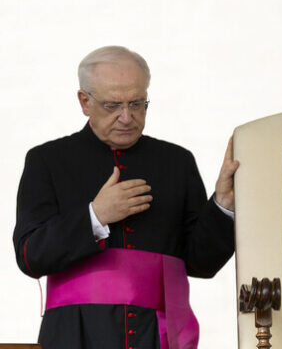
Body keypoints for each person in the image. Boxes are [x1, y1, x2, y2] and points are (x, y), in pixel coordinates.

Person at [13, 46, 239, 349]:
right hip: (76, 335)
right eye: (112, 105)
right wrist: (95, 216)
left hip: (158, 335)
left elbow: (200, 264)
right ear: (84, 101)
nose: (127, 117)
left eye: (137, 104)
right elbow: (30, 256)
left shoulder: (176, 162)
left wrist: (222, 204)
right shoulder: (47, 161)